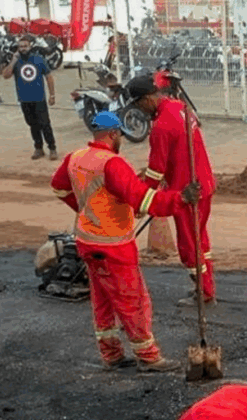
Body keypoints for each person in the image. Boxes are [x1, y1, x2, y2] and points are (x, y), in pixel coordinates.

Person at [51, 112, 198, 373]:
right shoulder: (112, 163)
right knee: (133, 301)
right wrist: (181, 199)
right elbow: (143, 200)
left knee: (103, 300)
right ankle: (149, 357)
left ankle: (111, 354)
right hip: (113, 244)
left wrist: (84, 208)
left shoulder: (75, 158)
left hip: (87, 240)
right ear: (114, 134)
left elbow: (59, 187)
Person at [125, 74, 218, 308]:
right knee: (200, 238)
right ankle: (207, 286)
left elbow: (156, 170)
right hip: (204, 183)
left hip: (187, 193)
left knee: (189, 244)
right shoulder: (180, 107)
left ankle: (203, 292)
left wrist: (142, 200)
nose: (139, 110)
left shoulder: (160, 127)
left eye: (138, 104)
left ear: (147, 99)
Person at [2, 35, 59, 161]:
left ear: (30, 46)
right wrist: (13, 61)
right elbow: (5, 75)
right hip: (24, 99)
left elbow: (49, 77)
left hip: (39, 98)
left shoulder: (39, 59)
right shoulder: (16, 62)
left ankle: (52, 148)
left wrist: (52, 95)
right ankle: (38, 148)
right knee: (32, 124)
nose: (23, 49)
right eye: (20, 46)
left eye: (25, 46)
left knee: (45, 124)